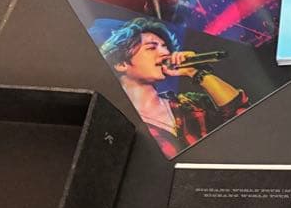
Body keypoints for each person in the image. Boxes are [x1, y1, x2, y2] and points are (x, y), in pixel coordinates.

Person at [100, 17, 248, 157]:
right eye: (151, 48)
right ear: (121, 64)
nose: (165, 53)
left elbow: (241, 114)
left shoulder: (191, 104)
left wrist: (193, 72)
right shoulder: (118, 121)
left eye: (165, 47)